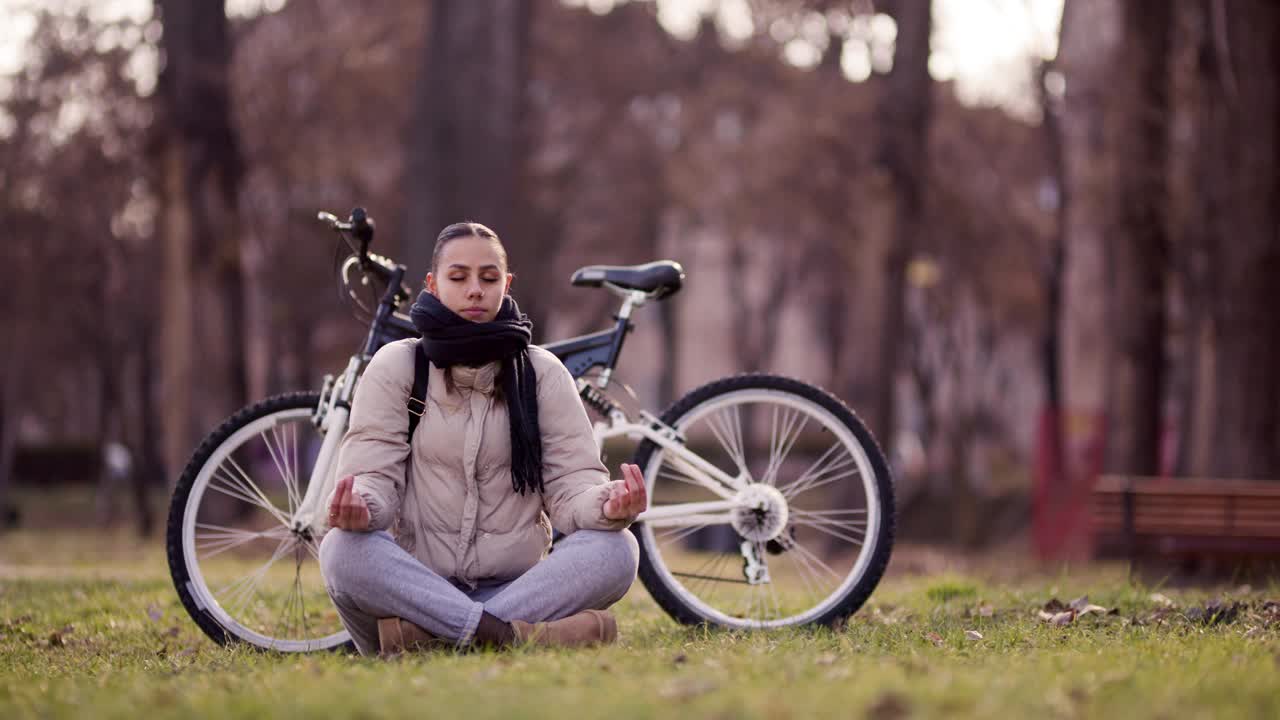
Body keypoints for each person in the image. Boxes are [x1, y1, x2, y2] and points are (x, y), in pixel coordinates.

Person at [318, 221, 647, 657]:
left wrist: (606, 504)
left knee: (617, 549)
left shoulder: (542, 373)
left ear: (506, 284)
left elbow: (573, 490)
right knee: (342, 550)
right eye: (459, 277)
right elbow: (371, 475)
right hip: (417, 588)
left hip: (519, 590)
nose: (475, 289)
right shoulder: (398, 366)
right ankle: (510, 638)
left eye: (488, 278)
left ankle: (434, 640)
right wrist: (363, 507)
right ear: (433, 285)